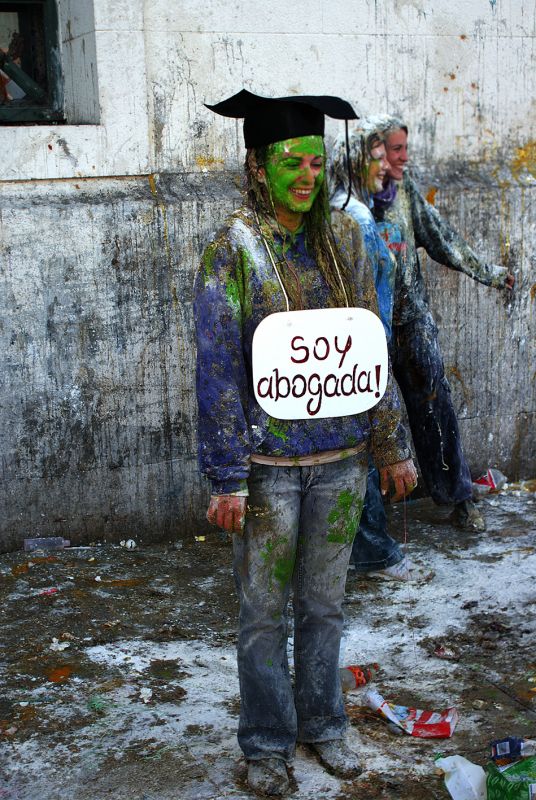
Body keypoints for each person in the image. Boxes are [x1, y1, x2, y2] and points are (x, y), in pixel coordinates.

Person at [194, 90, 417, 796]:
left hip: (341, 465)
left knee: (325, 605)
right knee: (262, 612)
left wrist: (391, 443)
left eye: (316, 163)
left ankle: (323, 724)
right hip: (266, 472)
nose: (305, 177)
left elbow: (368, 350)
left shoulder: (346, 240)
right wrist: (226, 477)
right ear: (258, 166)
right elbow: (218, 368)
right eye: (291, 162)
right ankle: (265, 741)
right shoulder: (233, 249)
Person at [369, 115, 515, 532]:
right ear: (374, 152)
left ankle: (457, 496)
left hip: (411, 320)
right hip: (366, 326)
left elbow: (442, 238)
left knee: (435, 407)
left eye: (403, 149)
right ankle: (371, 517)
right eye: (394, 149)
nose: (402, 157)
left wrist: (487, 271)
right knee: (367, 417)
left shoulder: (405, 193)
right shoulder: (351, 201)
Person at [329, 125, 430, 581]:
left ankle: (363, 546)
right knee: (365, 449)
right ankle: (371, 549)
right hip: (364, 348)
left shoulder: (353, 212)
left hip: (360, 345)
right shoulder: (355, 220)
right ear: (353, 162)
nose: (386, 165)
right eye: (376, 157)